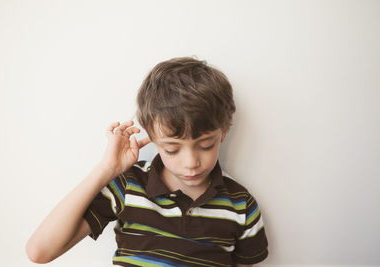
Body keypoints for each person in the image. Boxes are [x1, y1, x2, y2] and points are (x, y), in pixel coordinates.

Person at [26, 57, 269, 266]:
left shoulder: (241, 205)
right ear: (153, 139)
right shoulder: (129, 187)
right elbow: (40, 252)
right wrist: (106, 170)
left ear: (223, 133)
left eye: (206, 145)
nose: (191, 162)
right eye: (172, 149)